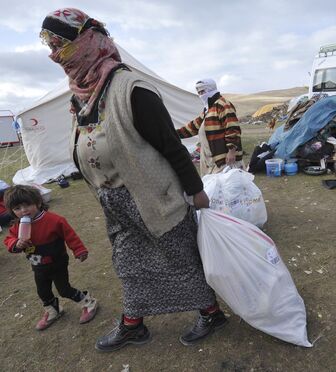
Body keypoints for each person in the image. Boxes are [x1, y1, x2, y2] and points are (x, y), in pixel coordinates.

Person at [40, 8, 227, 351]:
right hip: (115, 200)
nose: (55, 54)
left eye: (61, 45)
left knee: (180, 259)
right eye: (50, 46)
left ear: (87, 41)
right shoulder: (80, 94)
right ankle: (133, 325)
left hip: (154, 196)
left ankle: (212, 313)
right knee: (128, 264)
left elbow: (171, 146)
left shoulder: (133, 89)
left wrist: (196, 191)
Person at [3, 185, 98, 330]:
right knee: (43, 291)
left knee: (64, 289)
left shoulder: (54, 220)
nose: (23, 211)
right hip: (37, 265)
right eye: (17, 208)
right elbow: (9, 240)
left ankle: (89, 302)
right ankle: (54, 309)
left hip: (57, 262)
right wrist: (17, 243)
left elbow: (70, 235)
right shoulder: (17, 227)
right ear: (12, 211)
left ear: (38, 202)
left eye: (27, 205)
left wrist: (79, 250)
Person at [177, 79, 243, 176]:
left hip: (224, 158)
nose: (200, 95)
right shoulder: (208, 110)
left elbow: (232, 128)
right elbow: (193, 127)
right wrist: (173, 133)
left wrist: (231, 151)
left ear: (211, 89)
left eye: (202, 91)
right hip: (210, 157)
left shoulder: (223, 105)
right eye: (198, 92)